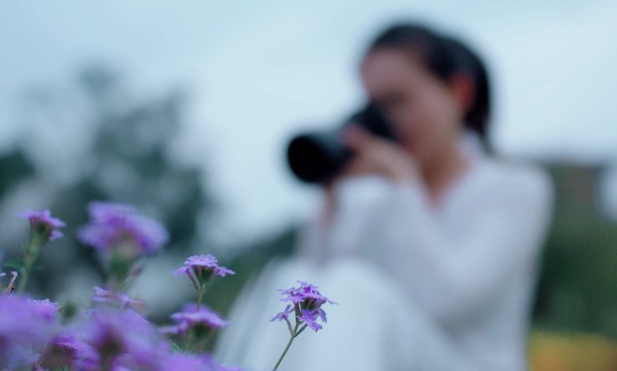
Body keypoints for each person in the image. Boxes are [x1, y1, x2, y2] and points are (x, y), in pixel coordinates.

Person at [215, 23, 553, 371]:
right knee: (287, 277)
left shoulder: (515, 188)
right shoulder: (371, 202)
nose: (390, 121)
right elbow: (316, 294)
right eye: (375, 106)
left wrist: (403, 182)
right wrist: (332, 200)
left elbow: (446, 300)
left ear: (459, 92)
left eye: (399, 101)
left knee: (353, 285)